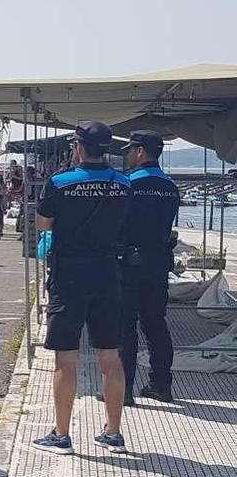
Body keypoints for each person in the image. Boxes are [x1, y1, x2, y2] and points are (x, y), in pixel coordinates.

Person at [32, 121, 132, 455]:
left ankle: (61, 435)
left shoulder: (60, 182)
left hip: (70, 274)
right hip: (107, 272)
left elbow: (44, 223)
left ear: (77, 146)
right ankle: (114, 433)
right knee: (109, 355)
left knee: (66, 358)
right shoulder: (123, 183)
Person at [107, 130, 179, 404]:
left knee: (126, 327)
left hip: (128, 264)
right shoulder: (170, 186)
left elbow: (117, 225)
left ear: (140, 151)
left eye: (130, 150)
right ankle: (161, 385)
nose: (127, 155)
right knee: (156, 324)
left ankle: (122, 391)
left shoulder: (128, 184)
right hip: (158, 264)